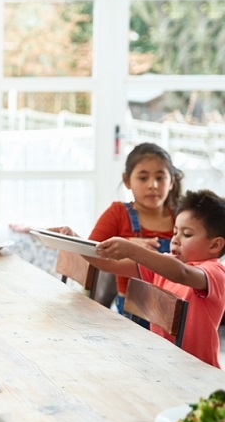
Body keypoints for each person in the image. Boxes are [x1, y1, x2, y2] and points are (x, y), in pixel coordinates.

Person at [90, 189, 225, 368]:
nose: (175, 240)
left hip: (198, 373)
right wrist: (71, 240)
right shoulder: (166, 263)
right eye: (175, 232)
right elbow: (108, 264)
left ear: (215, 245)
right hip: (162, 365)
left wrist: (132, 249)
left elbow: (181, 274)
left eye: (187, 234)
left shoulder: (215, 272)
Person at [89, 142, 183, 316]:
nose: (152, 185)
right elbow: (89, 249)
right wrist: (128, 245)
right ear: (127, 180)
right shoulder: (118, 213)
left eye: (160, 178)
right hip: (132, 314)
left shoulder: (183, 217)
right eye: (143, 178)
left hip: (177, 311)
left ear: (172, 182)